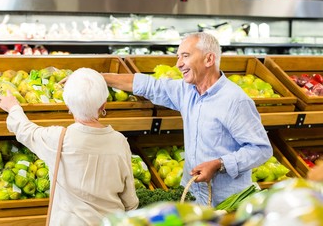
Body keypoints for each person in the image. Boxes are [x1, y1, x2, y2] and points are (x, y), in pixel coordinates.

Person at [102, 32, 273, 207]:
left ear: (208, 59)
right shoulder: (187, 90)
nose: (178, 64)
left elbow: (261, 149)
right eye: (178, 57)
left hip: (224, 203)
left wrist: (219, 164)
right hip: (191, 195)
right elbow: (148, 85)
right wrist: (101, 78)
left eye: (185, 56)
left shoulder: (235, 101)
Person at [0, 68, 139, 226]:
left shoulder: (58, 139)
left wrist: (13, 107)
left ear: (68, 104)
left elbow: (26, 131)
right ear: (103, 104)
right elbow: (130, 199)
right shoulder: (119, 142)